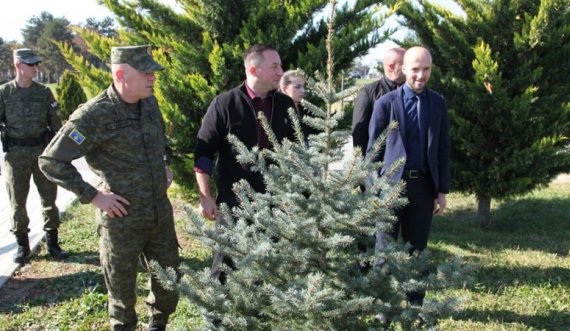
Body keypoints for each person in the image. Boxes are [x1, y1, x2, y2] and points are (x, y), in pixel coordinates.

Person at [39, 45, 179, 331]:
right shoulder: (93, 115)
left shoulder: (149, 102)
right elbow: (51, 161)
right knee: (123, 295)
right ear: (120, 74)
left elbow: (159, 139)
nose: (153, 77)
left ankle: (158, 324)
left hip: (159, 214)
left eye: (153, 71)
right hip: (121, 221)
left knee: (169, 282)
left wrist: (164, 163)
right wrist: (94, 196)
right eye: (145, 72)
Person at [194, 44, 296, 281]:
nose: (281, 71)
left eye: (280, 65)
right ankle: (218, 318)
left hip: (275, 202)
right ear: (254, 69)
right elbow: (203, 152)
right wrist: (205, 196)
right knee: (224, 267)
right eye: (274, 66)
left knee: (269, 266)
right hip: (234, 202)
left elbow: (298, 151)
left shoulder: (285, 105)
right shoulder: (224, 104)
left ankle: (259, 314)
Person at [367, 46, 450, 306]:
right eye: (415, 69)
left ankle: (415, 305)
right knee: (385, 252)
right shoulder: (385, 104)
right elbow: (372, 153)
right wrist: (375, 192)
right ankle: (383, 306)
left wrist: (442, 191)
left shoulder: (437, 103)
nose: (420, 75)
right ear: (403, 69)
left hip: (423, 189)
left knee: (417, 252)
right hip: (390, 190)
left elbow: (443, 148)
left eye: (426, 69)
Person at [0, 48, 68, 264]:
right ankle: (22, 246)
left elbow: (56, 125)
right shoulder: (4, 93)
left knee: (49, 198)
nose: (36, 68)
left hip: (41, 152)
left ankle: (53, 244)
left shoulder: (44, 92)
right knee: (17, 202)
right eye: (31, 64)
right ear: (18, 65)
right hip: (15, 155)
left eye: (36, 64)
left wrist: (59, 155)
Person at [352, 47, 406, 156]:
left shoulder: (412, 91)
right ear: (391, 67)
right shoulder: (368, 92)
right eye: (405, 65)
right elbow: (359, 134)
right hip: (379, 164)